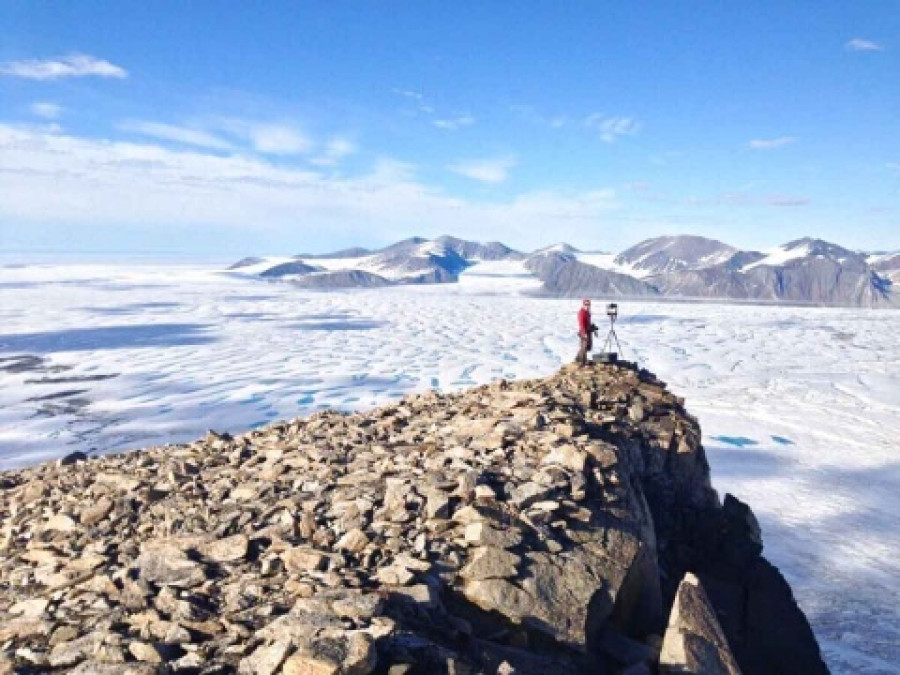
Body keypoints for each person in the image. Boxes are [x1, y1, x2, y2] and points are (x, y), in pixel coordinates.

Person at [576, 299, 598, 366]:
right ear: (583, 304)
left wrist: (593, 327)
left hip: (588, 331)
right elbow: (581, 323)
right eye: (586, 304)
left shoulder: (587, 312)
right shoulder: (581, 312)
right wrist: (584, 333)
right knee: (584, 347)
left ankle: (578, 358)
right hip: (584, 332)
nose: (587, 306)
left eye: (589, 304)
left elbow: (587, 322)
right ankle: (583, 362)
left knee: (588, 347)